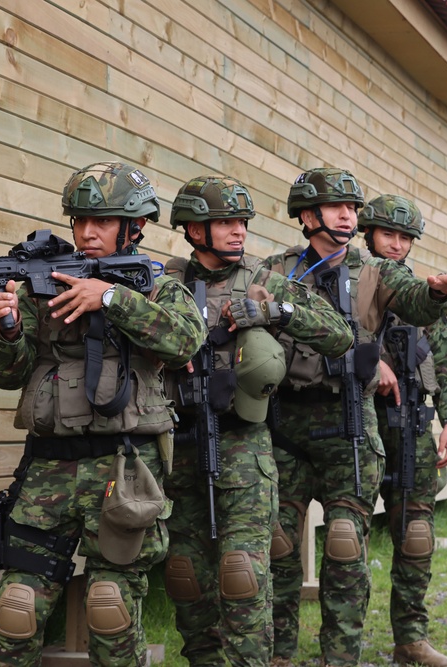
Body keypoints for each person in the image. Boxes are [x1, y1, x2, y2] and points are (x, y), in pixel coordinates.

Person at [0, 161, 206, 666]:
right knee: (16, 609)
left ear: (135, 226)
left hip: (123, 471)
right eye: (80, 220)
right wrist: (10, 326)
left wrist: (109, 298)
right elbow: (5, 375)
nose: (86, 232)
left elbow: (187, 339)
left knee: (111, 605)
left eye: (101, 221)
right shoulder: (43, 287)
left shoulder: (156, 285)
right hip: (48, 472)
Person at [265, 168, 447, 667]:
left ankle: (384, 645)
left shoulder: (378, 275)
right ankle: (279, 653)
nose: (396, 244)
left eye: (352, 209)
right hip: (291, 421)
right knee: (278, 544)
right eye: (387, 233)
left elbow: (436, 344)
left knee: (358, 542)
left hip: (369, 423)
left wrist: (437, 294)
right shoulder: (275, 269)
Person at [160, 174, 354, 667]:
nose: (238, 231)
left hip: (244, 447)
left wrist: (277, 311)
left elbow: (339, 336)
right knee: (186, 576)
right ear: (194, 229)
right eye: (225, 222)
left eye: (242, 222)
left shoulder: (265, 279)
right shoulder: (165, 283)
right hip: (176, 446)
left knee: (243, 573)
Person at [357, 195, 447, 667]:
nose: (394, 245)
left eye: (403, 238)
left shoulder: (423, 296)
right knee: (346, 537)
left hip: (414, 426)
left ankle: (411, 638)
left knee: (416, 536)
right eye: (386, 235)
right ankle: (344, 641)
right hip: (358, 425)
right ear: (369, 235)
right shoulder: (348, 285)